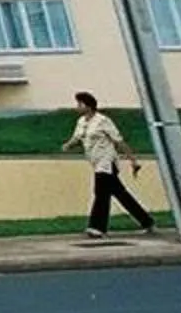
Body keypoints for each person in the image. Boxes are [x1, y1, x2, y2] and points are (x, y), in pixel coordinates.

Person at [65, 90, 155, 239]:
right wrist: (68, 145)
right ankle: (146, 221)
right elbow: (77, 138)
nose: (77, 107)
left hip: (106, 163)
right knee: (121, 194)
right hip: (96, 163)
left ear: (89, 106)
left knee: (101, 193)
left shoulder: (103, 121)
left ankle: (97, 227)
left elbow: (118, 141)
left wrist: (132, 160)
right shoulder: (81, 122)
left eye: (80, 104)